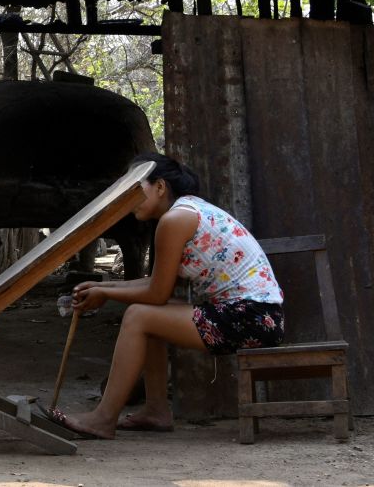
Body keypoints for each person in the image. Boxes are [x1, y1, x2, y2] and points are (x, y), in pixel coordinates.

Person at [51, 153, 285, 439]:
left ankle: (102, 418)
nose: (128, 200)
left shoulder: (175, 220)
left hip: (249, 318)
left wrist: (105, 292)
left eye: (135, 189)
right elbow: (157, 284)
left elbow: (157, 294)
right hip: (253, 315)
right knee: (146, 315)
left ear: (160, 187)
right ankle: (156, 410)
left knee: (139, 315)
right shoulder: (187, 211)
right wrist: (103, 287)